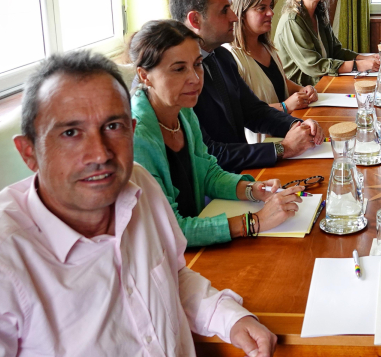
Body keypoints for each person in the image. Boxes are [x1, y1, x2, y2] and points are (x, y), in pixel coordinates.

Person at [2, 51, 278, 356]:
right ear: (29, 152)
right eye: (71, 132)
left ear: (132, 130)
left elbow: (171, 277)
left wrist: (229, 319)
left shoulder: (139, 184)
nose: (100, 153)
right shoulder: (8, 260)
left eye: (113, 126)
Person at [129, 20, 305, 247]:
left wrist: (253, 190)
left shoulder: (184, 112)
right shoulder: (136, 138)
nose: (194, 78)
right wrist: (254, 222)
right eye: (179, 69)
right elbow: (170, 230)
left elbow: (208, 172)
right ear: (145, 76)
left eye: (198, 64)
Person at [170, 0, 322, 173]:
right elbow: (210, 153)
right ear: (195, 19)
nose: (234, 16)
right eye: (225, 11)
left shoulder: (221, 57)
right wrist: (281, 149)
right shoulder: (176, 77)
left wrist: (297, 125)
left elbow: (254, 111)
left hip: (243, 174)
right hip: (213, 188)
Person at [228, 0, 318, 142]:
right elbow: (241, 114)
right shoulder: (231, 57)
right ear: (240, 13)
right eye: (262, 8)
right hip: (261, 144)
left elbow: (282, 82)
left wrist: (302, 90)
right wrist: (285, 107)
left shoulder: (268, 48)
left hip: (285, 133)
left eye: (270, 7)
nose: (271, 13)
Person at [274, 0, 379, 86]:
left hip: (323, 82)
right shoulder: (292, 20)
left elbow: (336, 52)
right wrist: (358, 65)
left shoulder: (319, 15)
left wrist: (366, 58)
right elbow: (313, 66)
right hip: (300, 90)